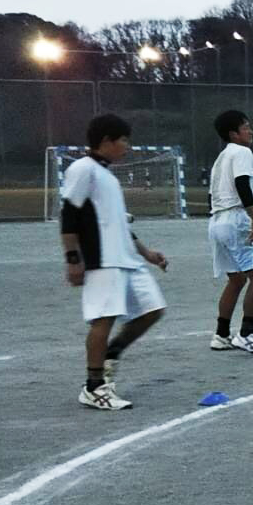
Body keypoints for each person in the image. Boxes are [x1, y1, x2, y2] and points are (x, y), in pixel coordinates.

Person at [59, 114, 170, 411]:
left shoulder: (107, 175)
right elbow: (69, 216)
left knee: (152, 310)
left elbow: (119, 225)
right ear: (106, 140)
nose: (127, 146)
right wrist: (73, 259)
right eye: (123, 140)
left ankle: (111, 353)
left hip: (127, 260)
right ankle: (94, 386)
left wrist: (148, 254)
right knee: (103, 320)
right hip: (103, 261)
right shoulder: (83, 169)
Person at [207, 110, 253, 356]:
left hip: (216, 221)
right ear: (233, 133)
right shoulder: (242, 152)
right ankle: (247, 335)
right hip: (236, 219)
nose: (251, 130)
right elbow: (242, 183)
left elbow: (211, 195)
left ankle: (221, 334)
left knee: (236, 279)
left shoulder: (221, 158)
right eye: (246, 127)